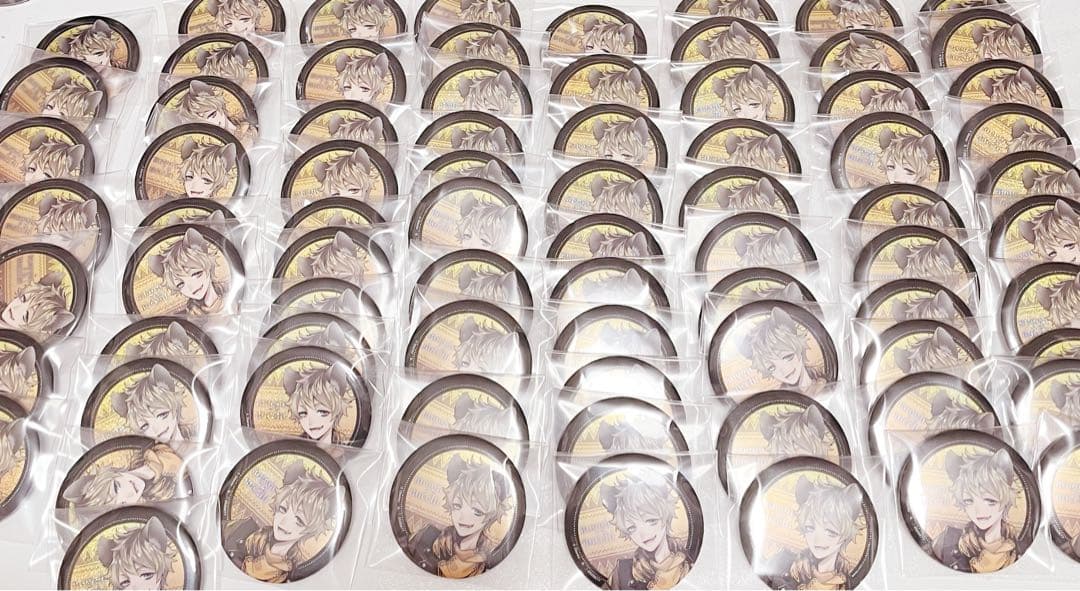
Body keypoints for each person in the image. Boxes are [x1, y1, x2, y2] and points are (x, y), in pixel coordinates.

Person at [405, 453, 511, 578]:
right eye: (457, 506)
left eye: (477, 511)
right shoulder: (425, 537)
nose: (462, 518)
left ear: (491, 516)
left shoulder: (488, 561)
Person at [933, 449, 1022, 573]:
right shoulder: (946, 542)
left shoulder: (1021, 547)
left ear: (1006, 500)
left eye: (990, 500)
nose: (979, 511)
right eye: (969, 501)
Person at [599, 472, 692, 589]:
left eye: (650, 520)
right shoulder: (622, 572)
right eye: (632, 528)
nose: (643, 534)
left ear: (665, 516)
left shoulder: (687, 569)